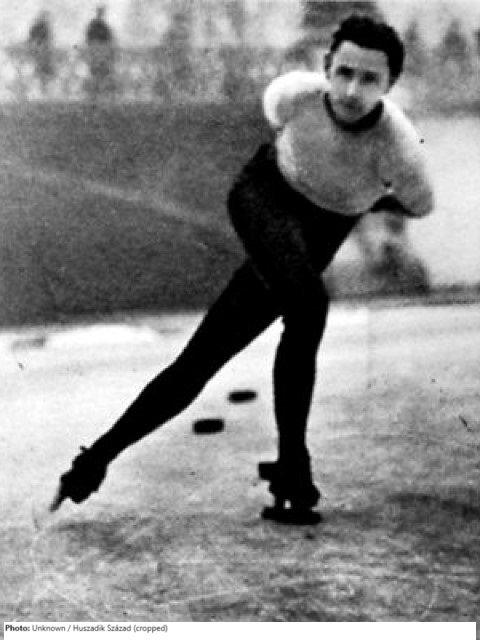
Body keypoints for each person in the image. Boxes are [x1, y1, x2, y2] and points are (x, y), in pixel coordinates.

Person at [53, 15, 434, 525]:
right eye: (343, 73)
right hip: (263, 199)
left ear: (390, 85)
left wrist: (362, 200)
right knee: (309, 303)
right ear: (326, 68)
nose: (350, 91)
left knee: (202, 359)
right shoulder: (294, 95)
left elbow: (418, 203)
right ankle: (293, 465)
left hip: (312, 237)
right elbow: (277, 121)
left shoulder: (400, 148)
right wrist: (345, 194)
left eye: (369, 79)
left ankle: (93, 461)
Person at [85, 5, 115, 98]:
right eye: (100, 12)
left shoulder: (104, 26)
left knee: (101, 72)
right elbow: (89, 39)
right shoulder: (95, 25)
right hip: (97, 52)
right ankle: (96, 92)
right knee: (96, 72)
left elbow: (109, 39)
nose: (101, 14)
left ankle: (99, 92)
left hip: (101, 53)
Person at [28, 10, 54, 95]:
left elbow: (49, 40)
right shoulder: (37, 27)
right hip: (38, 52)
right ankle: (42, 88)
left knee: (44, 69)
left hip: (44, 53)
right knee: (41, 69)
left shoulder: (46, 28)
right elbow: (31, 39)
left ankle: (44, 87)